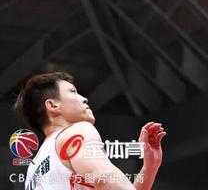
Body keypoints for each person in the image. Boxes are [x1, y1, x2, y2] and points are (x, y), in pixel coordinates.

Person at [13, 72, 166, 190]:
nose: (84, 98)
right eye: (73, 92)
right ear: (53, 105)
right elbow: (103, 178)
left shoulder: (33, 169)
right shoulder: (77, 131)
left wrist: (149, 167)